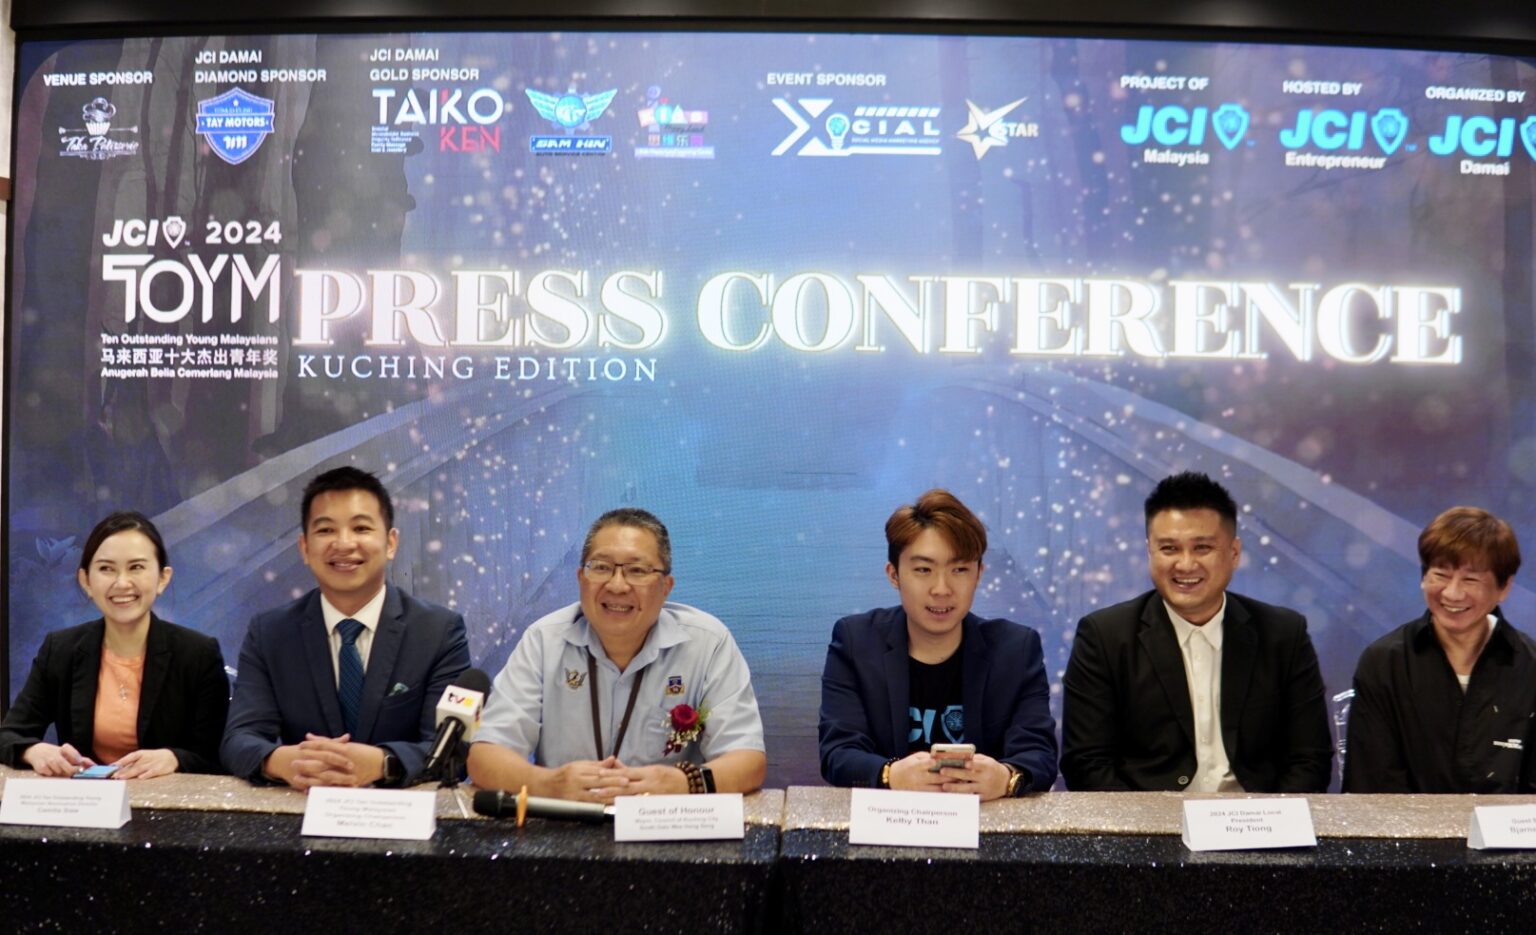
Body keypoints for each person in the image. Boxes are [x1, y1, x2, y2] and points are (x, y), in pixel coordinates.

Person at [467, 508, 766, 801]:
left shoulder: (707, 643)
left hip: (665, 821)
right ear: (581, 578)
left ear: (666, 587)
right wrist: (547, 784)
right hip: (565, 819)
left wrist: (681, 783)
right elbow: (485, 757)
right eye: (601, 567)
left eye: (637, 571)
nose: (617, 585)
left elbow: (748, 761)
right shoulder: (544, 640)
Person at [1061, 471, 1332, 792]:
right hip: (1149, 817)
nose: (1186, 564)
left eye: (1202, 547)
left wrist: (1272, 819)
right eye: (1169, 548)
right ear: (1150, 552)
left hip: (1257, 818)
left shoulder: (1283, 634)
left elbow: (1310, 759)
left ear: (1234, 553)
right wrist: (1145, 823)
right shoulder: (1104, 636)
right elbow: (1086, 764)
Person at [220, 467, 471, 788]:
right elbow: (239, 738)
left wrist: (383, 762)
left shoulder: (438, 632)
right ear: (304, 548)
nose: (344, 543)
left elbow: (453, 750)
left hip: (401, 812)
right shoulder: (270, 633)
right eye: (326, 530)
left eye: (361, 528)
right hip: (301, 808)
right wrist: (284, 762)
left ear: (391, 543)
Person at [818, 489, 1057, 798]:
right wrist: (890, 774)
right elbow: (838, 754)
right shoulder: (856, 642)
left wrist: (1005, 778)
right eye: (923, 570)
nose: (942, 589)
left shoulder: (1015, 649)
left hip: (985, 820)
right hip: (889, 820)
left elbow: (1039, 754)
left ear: (978, 574)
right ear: (894, 574)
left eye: (959, 570)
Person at [0, 511, 228, 778]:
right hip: (86, 800)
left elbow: (218, 754)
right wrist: (33, 750)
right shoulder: (60, 649)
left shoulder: (198, 654)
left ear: (163, 578)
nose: (122, 583)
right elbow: (9, 735)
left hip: (168, 799)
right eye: (106, 569)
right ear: (86, 581)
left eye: (136, 567)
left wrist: (175, 758)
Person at [1343, 507, 1536, 793]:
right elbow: (1371, 785)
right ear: (1423, 577)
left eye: (1471, 579)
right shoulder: (1385, 662)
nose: (1452, 593)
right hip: (1403, 823)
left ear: (1504, 587)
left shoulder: (1530, 666)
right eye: (1441, 575)